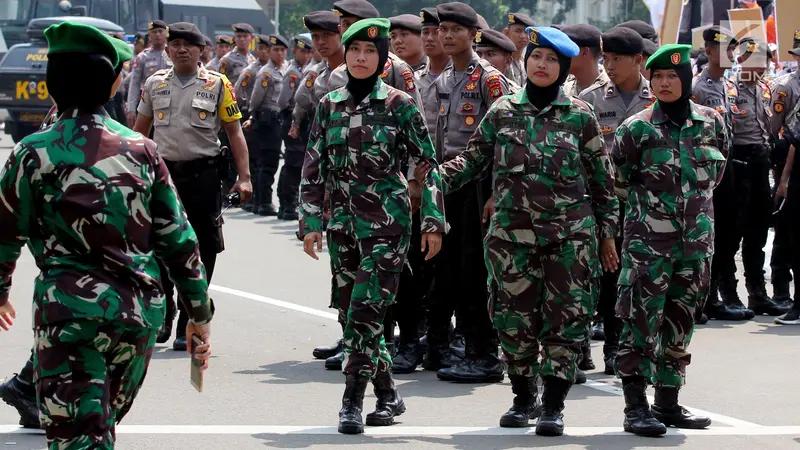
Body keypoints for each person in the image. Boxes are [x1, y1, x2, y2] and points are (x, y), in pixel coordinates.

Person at [0, 21, 213, 448]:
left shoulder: (32, 152)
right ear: (115, 82)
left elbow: (5, 232)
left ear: (52, 86)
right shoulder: (142, 151)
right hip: (134, 321)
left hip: (69, 317)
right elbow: (179, 240)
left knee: (81, 438)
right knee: (99, 429)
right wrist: (199, 315)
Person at [419, 25, 618, 436]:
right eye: (536, 58)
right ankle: (523, 396)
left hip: (569, 240)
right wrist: (436, 178)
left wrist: (607, 235)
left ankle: (554, 405)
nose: (542, 65)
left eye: (552, 60)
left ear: (563, 68)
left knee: (566, 322)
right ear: (525, 63)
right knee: (514, 322)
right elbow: (472, 160)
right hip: (511, 240)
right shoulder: (503, 111)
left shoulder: (580, 115)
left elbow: (602, 182)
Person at [300, 18, 446, 435]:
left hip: (387, 224)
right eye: (354, 52)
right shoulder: (329, 105)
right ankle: (388, 393)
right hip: (342, 224)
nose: (361, 58)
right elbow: (313, 169)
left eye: (370, 52)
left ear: (382, 58)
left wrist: (432, 220)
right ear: (345, 57)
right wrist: (310, 221)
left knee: (366, 311)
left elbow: (427, 163)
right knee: (351, 315)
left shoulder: (399, 104)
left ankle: (351, 400)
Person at [612, 43, 721, 437]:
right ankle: (635, 406)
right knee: (639, 323)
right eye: (657, 77)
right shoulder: (636, 128)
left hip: (695, 246)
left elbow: (713, 180)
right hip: (647, 247)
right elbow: (619, 181)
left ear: (686, 81)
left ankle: (668, 402)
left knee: (680, 324)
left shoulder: (711, 122)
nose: (664, 83)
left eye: (672, 76)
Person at [134, 22, 253, 351]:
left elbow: (234, 133)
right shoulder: (154, 83)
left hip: (203, 175)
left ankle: (191, 311)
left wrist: (244, 177)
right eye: (175, 44)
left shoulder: (218, 84)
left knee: (205, 245)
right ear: (168, 49)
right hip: (164, 174)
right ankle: (166, 306)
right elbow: (140, 133)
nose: (181, 49)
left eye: (189, 44)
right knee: (157, 243)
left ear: (202, 50)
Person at [430, 1, 512, 384]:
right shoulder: (446, 77)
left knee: (477, 269)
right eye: (442, 29)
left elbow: (505, 140)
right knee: (453, 270)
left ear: (472, 35)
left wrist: (496, 190)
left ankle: (485, 352)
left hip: (480, 184)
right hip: (451, 182)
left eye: (455, 30)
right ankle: (462, 344)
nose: (446, 36)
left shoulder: (489, 79)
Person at [578, 26, 655, 376]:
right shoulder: (591, 98)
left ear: (639, 60)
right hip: (599, 199)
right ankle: (582, 346)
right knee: (594, 275)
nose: (609, 65)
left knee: (632, 277)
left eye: (618, 59)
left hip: (642, 202)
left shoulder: (656, 97)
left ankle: (618, 344)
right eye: (606, 58)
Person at [692, 26, 753, 321]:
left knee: (729, 233)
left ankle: (720, 291)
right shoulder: (699, 87)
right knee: (710, 236)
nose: (732, 55)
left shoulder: (729, 86)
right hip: (706, 169)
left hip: (728, 168)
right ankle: (706, 297)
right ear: (709, 52)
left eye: (733, 49)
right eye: (726, 50)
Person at [729, 38, 788, 316]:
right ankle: (727, 292)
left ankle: (757, 293)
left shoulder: (767, 89)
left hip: (761, 162)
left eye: (764, 60)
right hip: (736, 163)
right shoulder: (729, 90)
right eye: (755, 60)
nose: (761, 66)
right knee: (731, 233)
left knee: (758, 230)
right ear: (741, 60)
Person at [245, 34, 290, 217]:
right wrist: (253, 116)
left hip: (279, 118)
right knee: (267, 162)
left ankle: (260, 201)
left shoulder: (286, 69)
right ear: (270, 52)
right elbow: (256, 99)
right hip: (267, 118)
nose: (279, 53)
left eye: (282, 50)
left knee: (271, 161)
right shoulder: (266, 72)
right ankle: (263, 202)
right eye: (275, 50)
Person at [276, 35, 315, 220]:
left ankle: (287, 204)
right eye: (303, 51)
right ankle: (287, 204)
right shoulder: (293, 72)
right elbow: (283, 100)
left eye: (309, 51)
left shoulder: (304, 70)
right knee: (293, 164)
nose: (306, 55)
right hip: (291, 119)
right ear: (295, 52)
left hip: (300, 119)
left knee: (295, 163)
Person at [125, 20, 171, 128]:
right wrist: (131, 109)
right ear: (149, 36)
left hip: (169, 103)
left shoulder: (172, 54)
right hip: (147, 104)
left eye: (160, 31)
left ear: (166, 34)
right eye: (154, 32)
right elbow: (134, 84)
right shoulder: (142, 57)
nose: (157, 35)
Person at [560, 24, 608, 98]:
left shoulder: (612, 89)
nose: (560, 56)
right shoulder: (565, 89)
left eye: (567, 50)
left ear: (584, 52)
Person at [502, 12, 535, 86]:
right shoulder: (502, 61)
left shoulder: (526, 63)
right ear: (506, 33)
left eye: (526, 32)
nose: (523, 36)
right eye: (518, 31)